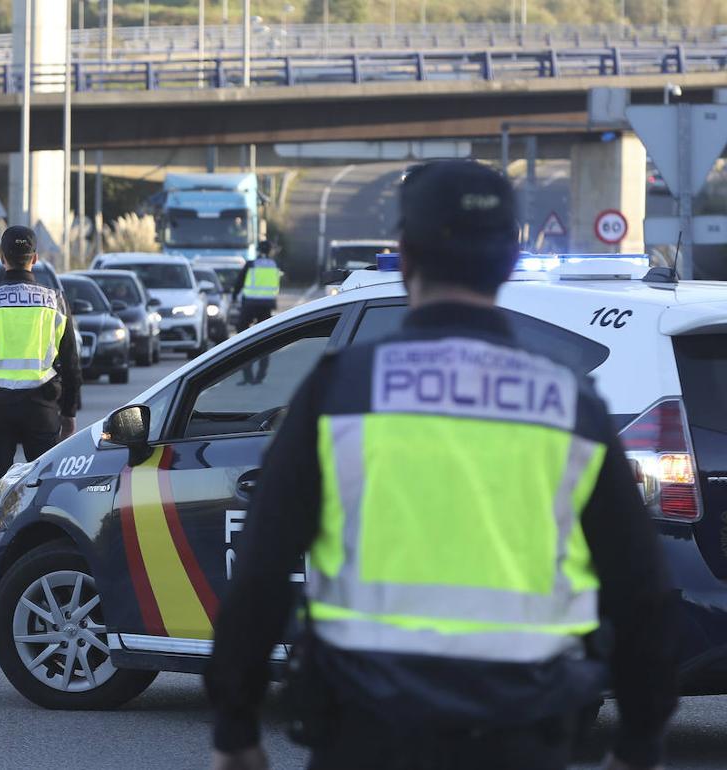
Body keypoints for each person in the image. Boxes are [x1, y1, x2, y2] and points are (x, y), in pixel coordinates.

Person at [206, 160, 679, 770]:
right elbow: (641, 594)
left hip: (365, 738)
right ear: (510, 261)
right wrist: (640, 741)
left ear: (404, 257)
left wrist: (236, 730)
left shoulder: (340, 390)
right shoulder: (570, 404)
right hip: (522, 740)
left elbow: (261, 576)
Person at [0, 226, 82, 525]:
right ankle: (40, 555)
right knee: (46, 491)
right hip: (42, 409)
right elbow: (71, 363)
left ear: (3, 258)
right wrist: (69, 412)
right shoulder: (55, 301)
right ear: (35, 258)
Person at [232, 242, 281, 385]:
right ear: (270, 251)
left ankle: (247, 375)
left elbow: (239, 282)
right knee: (265, 339)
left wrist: (234, 296)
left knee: (242, 338)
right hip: (266, 305)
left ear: (258, 250)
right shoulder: (274, 265)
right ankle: (260, 376)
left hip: (250, 304)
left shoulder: (251, 264)